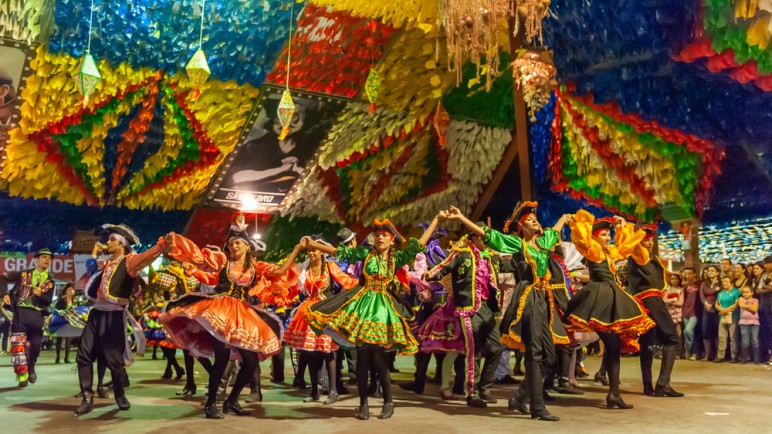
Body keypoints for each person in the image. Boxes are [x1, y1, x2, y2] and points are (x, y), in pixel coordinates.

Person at [160, 217, 301, 419]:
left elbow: (279, 271)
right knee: (222, 359)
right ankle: (211, 404)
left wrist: (296, 250)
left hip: (243, 315)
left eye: (238, 243)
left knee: (251, 361)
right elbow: (198, 256)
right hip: (222, 311)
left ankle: (231, 400)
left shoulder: (256, 267)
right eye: (231, 243)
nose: (234, 246)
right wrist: (177, 240)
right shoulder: (223, 261)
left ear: (247, 247)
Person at [305, 216, 442, 420]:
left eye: (384, 235)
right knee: (362, 358)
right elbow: (337, 251)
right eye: (377, 235)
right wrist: (313, 244)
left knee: (378, 359)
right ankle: (363, 404)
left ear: (391, 240)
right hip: (362, 306)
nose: (379, 238)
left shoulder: (397, 258)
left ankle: (388, 402)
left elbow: (420, 244)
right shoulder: (365, 253)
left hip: (382, 310)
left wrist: (436, 219)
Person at [448, 203, 569, 421]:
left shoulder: (543, 243)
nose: (534, 220)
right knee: (534, 352)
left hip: (544, 298)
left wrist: (563, 218)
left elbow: (554, 231)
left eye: (535, 218)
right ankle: (537, 407)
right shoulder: (517, 244)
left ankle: (519, 398)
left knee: (550, 357)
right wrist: (461, 218)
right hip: (528, 298)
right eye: (529, 220)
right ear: (521, 227)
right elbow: (488, 234)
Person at [562, 211, 655, 410]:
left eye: (608, 234)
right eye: (603, 234)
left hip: (611, 296)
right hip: (601, 298)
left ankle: (614, 394)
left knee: (613, 348)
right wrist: (578, 224)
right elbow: (583, 240)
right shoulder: (593, 249)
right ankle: (612, 394)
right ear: (594, 236)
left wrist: (622, 226)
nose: (607, 237)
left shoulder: (607, 252)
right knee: (610, 346)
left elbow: (624, 249)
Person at [75, 225, 170, 415]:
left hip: (114, 315)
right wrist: (95, 252)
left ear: (122, 244)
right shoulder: (105, 262)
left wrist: (161, 245)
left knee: (114, 360)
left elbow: (146, 257)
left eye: (112, 240)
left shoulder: (129, 262)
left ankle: (120, 395)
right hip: (96, 313)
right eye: (108, 239)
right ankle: (87, 397)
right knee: (83, 355)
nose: (107, 243)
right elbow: (90, 268)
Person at [420, 222, 503, 410]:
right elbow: (444, 267)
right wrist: (429, 275)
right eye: (482, 236)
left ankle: (484, 387)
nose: (486, 239)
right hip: (468, 308)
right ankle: (472, 393)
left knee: (497, 347)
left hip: (487, 308)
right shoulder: (462, 253)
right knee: (473, 351)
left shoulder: (491, 257)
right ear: (474, 237)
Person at [285, 235, 358, 404]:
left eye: (315, 250)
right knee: (311, 353)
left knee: (328, 351)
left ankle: (333, 390)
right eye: (309, 250)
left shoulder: (330, 266)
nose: (311, 253)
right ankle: (314, 391)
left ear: (322, 251)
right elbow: (291, 281)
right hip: (309, 312)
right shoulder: (305, 269)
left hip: (326, 311)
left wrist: (362, 284)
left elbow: (346, 281)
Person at [625, 224, 684, 398]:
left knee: (647, 342)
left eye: (651, 240)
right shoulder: (639, 254)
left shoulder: (649, 257)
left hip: (645, 301)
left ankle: (648, 386)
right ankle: (662, 384)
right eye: (646, 240)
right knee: (672, 338)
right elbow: (633, 244)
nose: (650, 243)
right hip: (651, 300)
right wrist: (626, 228)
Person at [1, 248, 56, 387]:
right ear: (36, 259)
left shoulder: (51, 280)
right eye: (44, 257)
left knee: (36, 345)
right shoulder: (25, 273)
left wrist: (40, 295)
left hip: (37, 314)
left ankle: (31, 368)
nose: (47, 259)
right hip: (21, 312)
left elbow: (48, 301)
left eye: (49, 258)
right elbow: (3, 277)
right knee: (18, 345)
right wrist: (5, 294)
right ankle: (22, 375)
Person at [715, 276, 741, 363]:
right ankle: (720, 356)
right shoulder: (721, 293)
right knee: (722, 337)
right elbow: (716, 304)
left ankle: (734, 356)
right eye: (723, 281)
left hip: (733, 316)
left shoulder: (736, 292)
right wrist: (721, 310)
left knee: (733, 337)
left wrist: (725, 310)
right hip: (723, 317)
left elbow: (736, 304)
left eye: (726, 281)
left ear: (731, 283)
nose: (724, 283)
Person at [52, 283, 79, 364]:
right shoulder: (61, 301)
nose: (71, 291)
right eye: (69, 290)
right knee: (59, 340)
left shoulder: (75, 301)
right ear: (66, 291)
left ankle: (66, 357)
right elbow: (56, 310)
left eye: (72, 290)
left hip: (70, 322)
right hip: (61, 322)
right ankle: (57, 357)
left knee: (69, 339)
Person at [700, 265, 722, 361]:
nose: (710, 272)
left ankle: (717, 354)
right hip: (706, 309)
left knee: (717, 332)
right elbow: (701, 295)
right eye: (709, 270)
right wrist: (706, 304)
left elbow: (721, 295)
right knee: (705, 331)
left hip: (717, 309)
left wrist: (713, 304)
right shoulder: (704, 283)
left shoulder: (721, 283)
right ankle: (707, 354)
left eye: (712, 270)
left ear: (718, 272)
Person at [754, 257, 772, 363]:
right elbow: (758, 290)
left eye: (766, 263)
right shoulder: (764, 275)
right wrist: (767, 287)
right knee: (767, 331)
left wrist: (767, 288)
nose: (765, 266)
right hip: (765, 306)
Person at [681, 267, 701, 360]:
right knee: (688, 333)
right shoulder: (685, 285)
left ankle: (694, 352)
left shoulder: (699, 284)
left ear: (694, 274)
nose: (687, 275)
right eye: (686, 273)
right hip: (685, 311)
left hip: (695, 311)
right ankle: (689, 352)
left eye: (690, 273)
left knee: (688, 331)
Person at [737, 285, 760, 364]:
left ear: (752, 293)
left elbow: (755, 309)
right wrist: (750, 305)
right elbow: (741, 305)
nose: (745, 294)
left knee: (755, 340)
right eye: (743, 292)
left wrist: (746, 305)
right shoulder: (741, 299)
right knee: (745, 341)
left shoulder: (755, 300)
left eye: (747, 292)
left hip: (754, 322)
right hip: (743, 322)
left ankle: (756, 358)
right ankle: (744, 358)